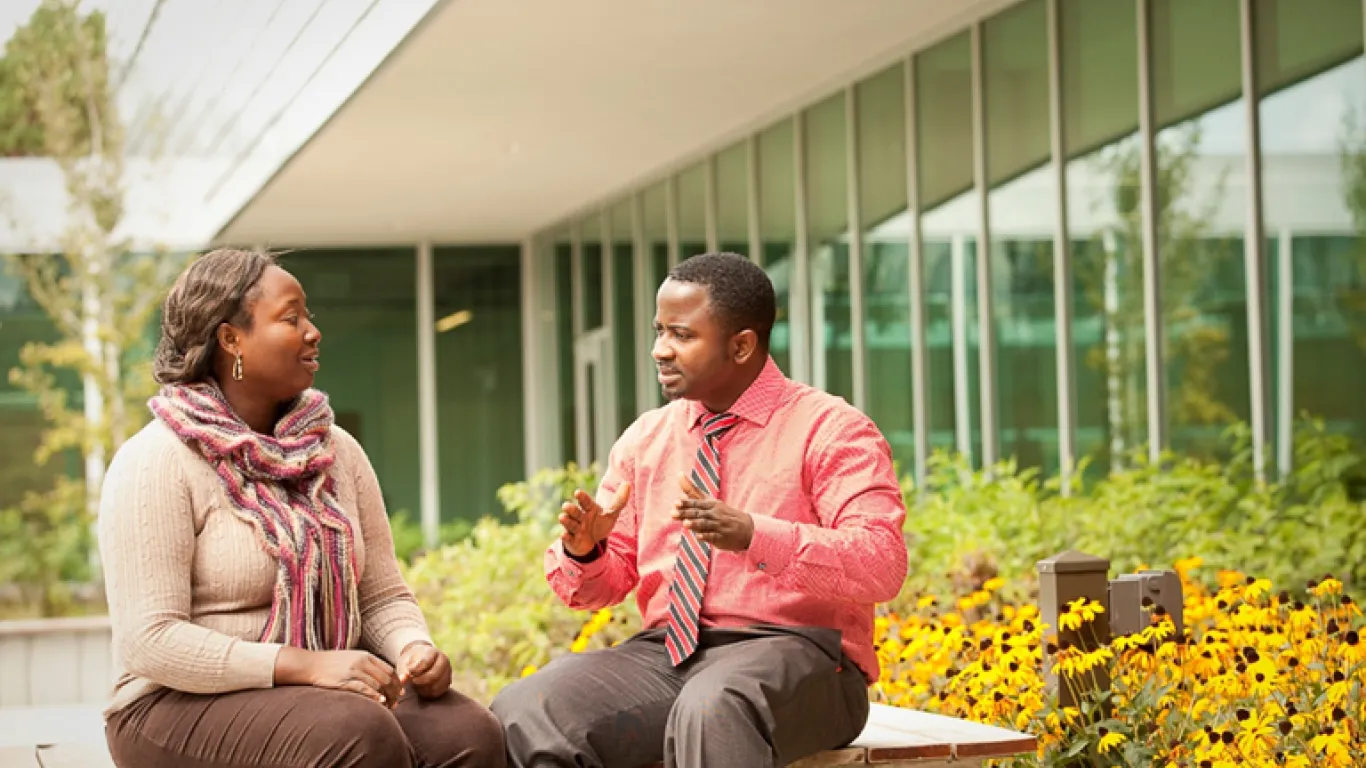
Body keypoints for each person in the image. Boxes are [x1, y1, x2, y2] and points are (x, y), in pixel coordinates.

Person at [490, 252, 909, 768]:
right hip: (667, 654)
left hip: (806, 659)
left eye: (681, 335)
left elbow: (882, 564)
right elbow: (598, 589)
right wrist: (587, 551)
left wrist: (754, 534)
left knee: (714, 706)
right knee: (527, 708)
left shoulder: (832, 429)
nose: (659, 350)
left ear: (741, 345)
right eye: (658, 331)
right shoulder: (648, 438)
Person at [98, 249, 506, 768]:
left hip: (321, 691)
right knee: (355, 732)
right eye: (291, 318)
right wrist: (302, 665)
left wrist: (411, 649)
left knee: (465, 732)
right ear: (231, 340)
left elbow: (381, 594)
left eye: (308, 316)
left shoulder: (336, 451)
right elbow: (150, 642)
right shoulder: (156, 460)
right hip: (171, 706)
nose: (313, 332)